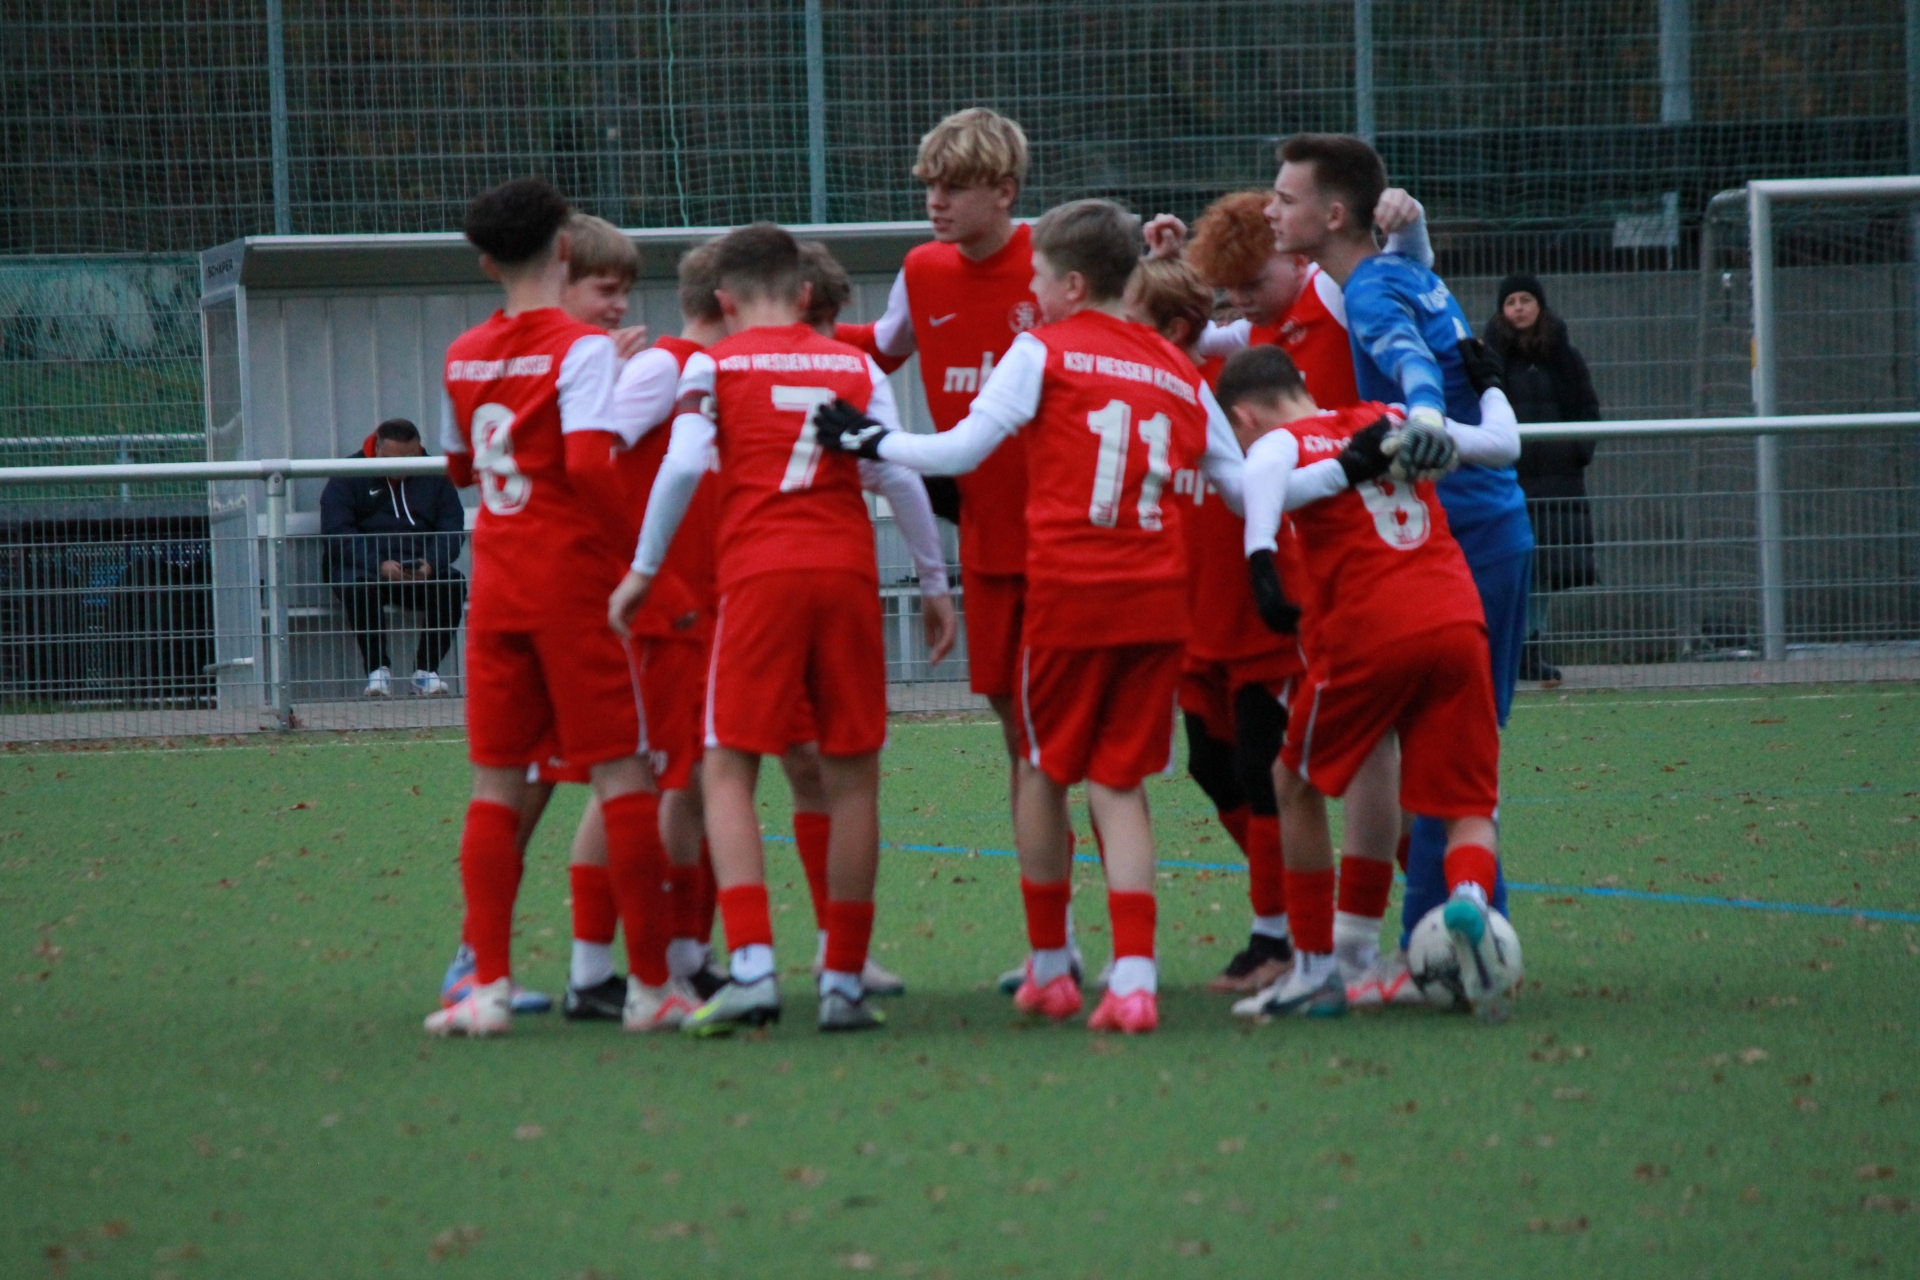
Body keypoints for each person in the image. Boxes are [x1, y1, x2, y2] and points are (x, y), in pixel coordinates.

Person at [811, 199, 1249, 1035]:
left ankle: (1051, 965)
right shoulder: (1176, 365)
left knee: (1043, 770)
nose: (1031, 293)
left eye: (1039, 278)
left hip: (1074, 594)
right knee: (1119, 782)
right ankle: (1134, 978)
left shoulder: (1041, 348)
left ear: (1072, 284)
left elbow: (961, 450)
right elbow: (1243, 483)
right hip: (1160, 599)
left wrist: (870, 441)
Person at [610, 222, 897, 1036]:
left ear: (724, 300)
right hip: (848, 574)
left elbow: (680, 464)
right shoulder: (856, 366)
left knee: (726, 768)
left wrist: (642, 568)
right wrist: (936, 581)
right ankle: (843, 978)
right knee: (852, 779)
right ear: (805, 294)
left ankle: (752, 968)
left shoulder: (715, 362)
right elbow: (896, 471)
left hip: (758, 578)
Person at [1266, 133, 1530, 970]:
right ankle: (1453, 936)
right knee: (1453, 765)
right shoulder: (1399, 272)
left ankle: (1439, 951)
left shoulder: (1373, 290)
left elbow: (1410, 361)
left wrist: (1419, 417)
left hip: (1464, 533)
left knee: (1448, 765)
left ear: (1332, 215)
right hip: (1485, 527)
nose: (1271, 210)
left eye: (1285, 199)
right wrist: (1411, 225)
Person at [425, 178, 668, 1038]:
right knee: (623, 775)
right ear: (564, 248)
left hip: (495, 586)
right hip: (571, 586)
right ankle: (651, 988)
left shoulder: (461, 352)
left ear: (487, 264)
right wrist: (643, 562)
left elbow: (461, 469)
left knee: (496, 782)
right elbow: (592, 465)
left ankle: (485, 987)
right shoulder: (583, 349)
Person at [1222, 344, 1521, 1022]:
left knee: (1292, 783)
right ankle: (1467, 905)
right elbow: (1503, 445)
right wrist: (1491, 385)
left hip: (1370, 629)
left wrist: (1260, 560)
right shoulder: (1391, 415)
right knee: (1466, 804)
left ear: (1244, 417)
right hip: (1456, 617)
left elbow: (1260, 490)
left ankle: (1315, 970)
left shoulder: (1279, 445)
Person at [832, 109, 1044, 985]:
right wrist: (771, 326)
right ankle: (1054, 948)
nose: (935, 202)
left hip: (1071, 542)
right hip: (987, 540)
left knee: (1072, 751)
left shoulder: (1055, 263)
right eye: (929, 186)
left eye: (954, 187)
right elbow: (880, 349)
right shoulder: (922, 270)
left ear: (1006, 191)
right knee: (1018, 736)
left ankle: (1110, 954)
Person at [1484, 273, 1601, 687]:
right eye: (1510, 301)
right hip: (1507, 482)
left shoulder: (1565, 357)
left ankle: (1529, 649)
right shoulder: (1489, 359)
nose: (1518, 308)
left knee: (1545, 571)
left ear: (1540, 305)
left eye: (1525, 299)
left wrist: (1575, 452)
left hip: (1556, 484)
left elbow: (1587, 409)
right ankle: (1506, 649)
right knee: (1509, 567)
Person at [319, 418, 467, 698]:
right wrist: (378, 565)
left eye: (409, 459)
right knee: (361, 588)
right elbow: (337, 531)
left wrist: (431, 562)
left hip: (417, 568)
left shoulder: (434, 473)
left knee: (451, 583)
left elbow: (451, 525)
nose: (400, 468)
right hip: (365, 569)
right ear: (377, 448)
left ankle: (426, 672)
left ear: (418, 450)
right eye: (391, 459)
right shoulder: (348, 473)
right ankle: (378, 671)